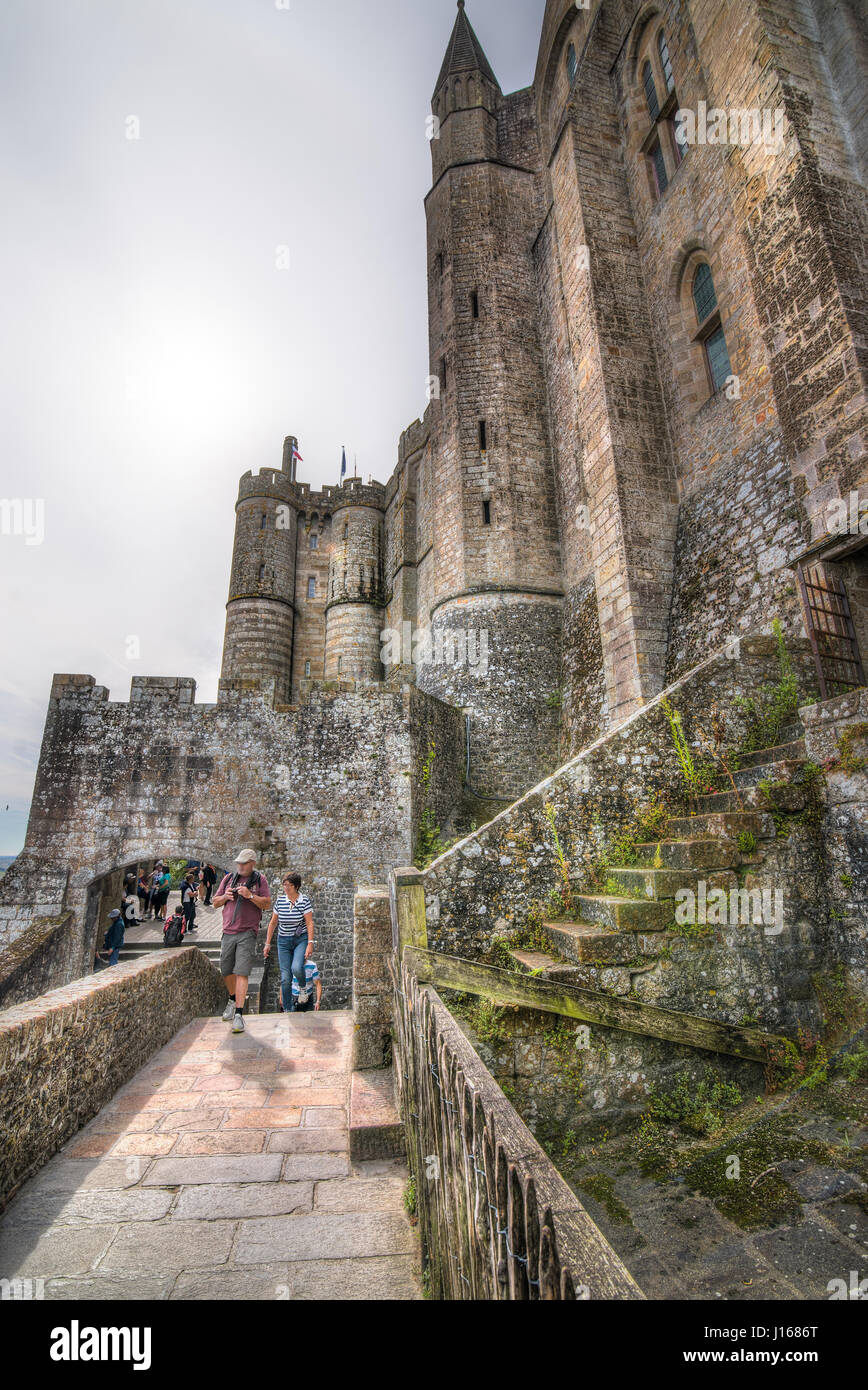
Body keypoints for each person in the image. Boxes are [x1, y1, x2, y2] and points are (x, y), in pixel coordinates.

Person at [213, 850, 271, 1034]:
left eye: (244, 863)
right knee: (226, 969)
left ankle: (238, 1013)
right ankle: (232, 998)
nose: (240, 866)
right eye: (239, 863)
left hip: (247, 931)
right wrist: (225, 897)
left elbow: (267, 903)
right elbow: (215, 902)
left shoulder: (259, 880)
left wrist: (250, 896)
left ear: (252, 863)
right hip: (228, 930)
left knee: (242, 971)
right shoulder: (229, 878)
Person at [264, 873, 315, 1014]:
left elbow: (309, 922)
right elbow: (273, 922)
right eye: (284, 885)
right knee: (285, 978)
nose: (286, 888)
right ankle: (288, 1009)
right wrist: (267, 943)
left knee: (296, 968)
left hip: (300, 940)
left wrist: (310, 943)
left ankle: (303, 989)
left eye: (289, 885)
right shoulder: (280, 901)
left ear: (296, 886)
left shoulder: (304, 900)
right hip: (283, 941)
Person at [181, 869, 199, 934]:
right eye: (193, 879)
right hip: (187, 902)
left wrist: (195, 892)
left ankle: (190, 928)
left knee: (193, 915)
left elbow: (194, 892)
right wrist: (195, 893)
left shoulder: (191, 884)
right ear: (190, 879)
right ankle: (184, 930)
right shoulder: (186, 886)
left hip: (192, 902)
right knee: (187, 916)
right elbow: (191, 895)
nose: (194, 880)